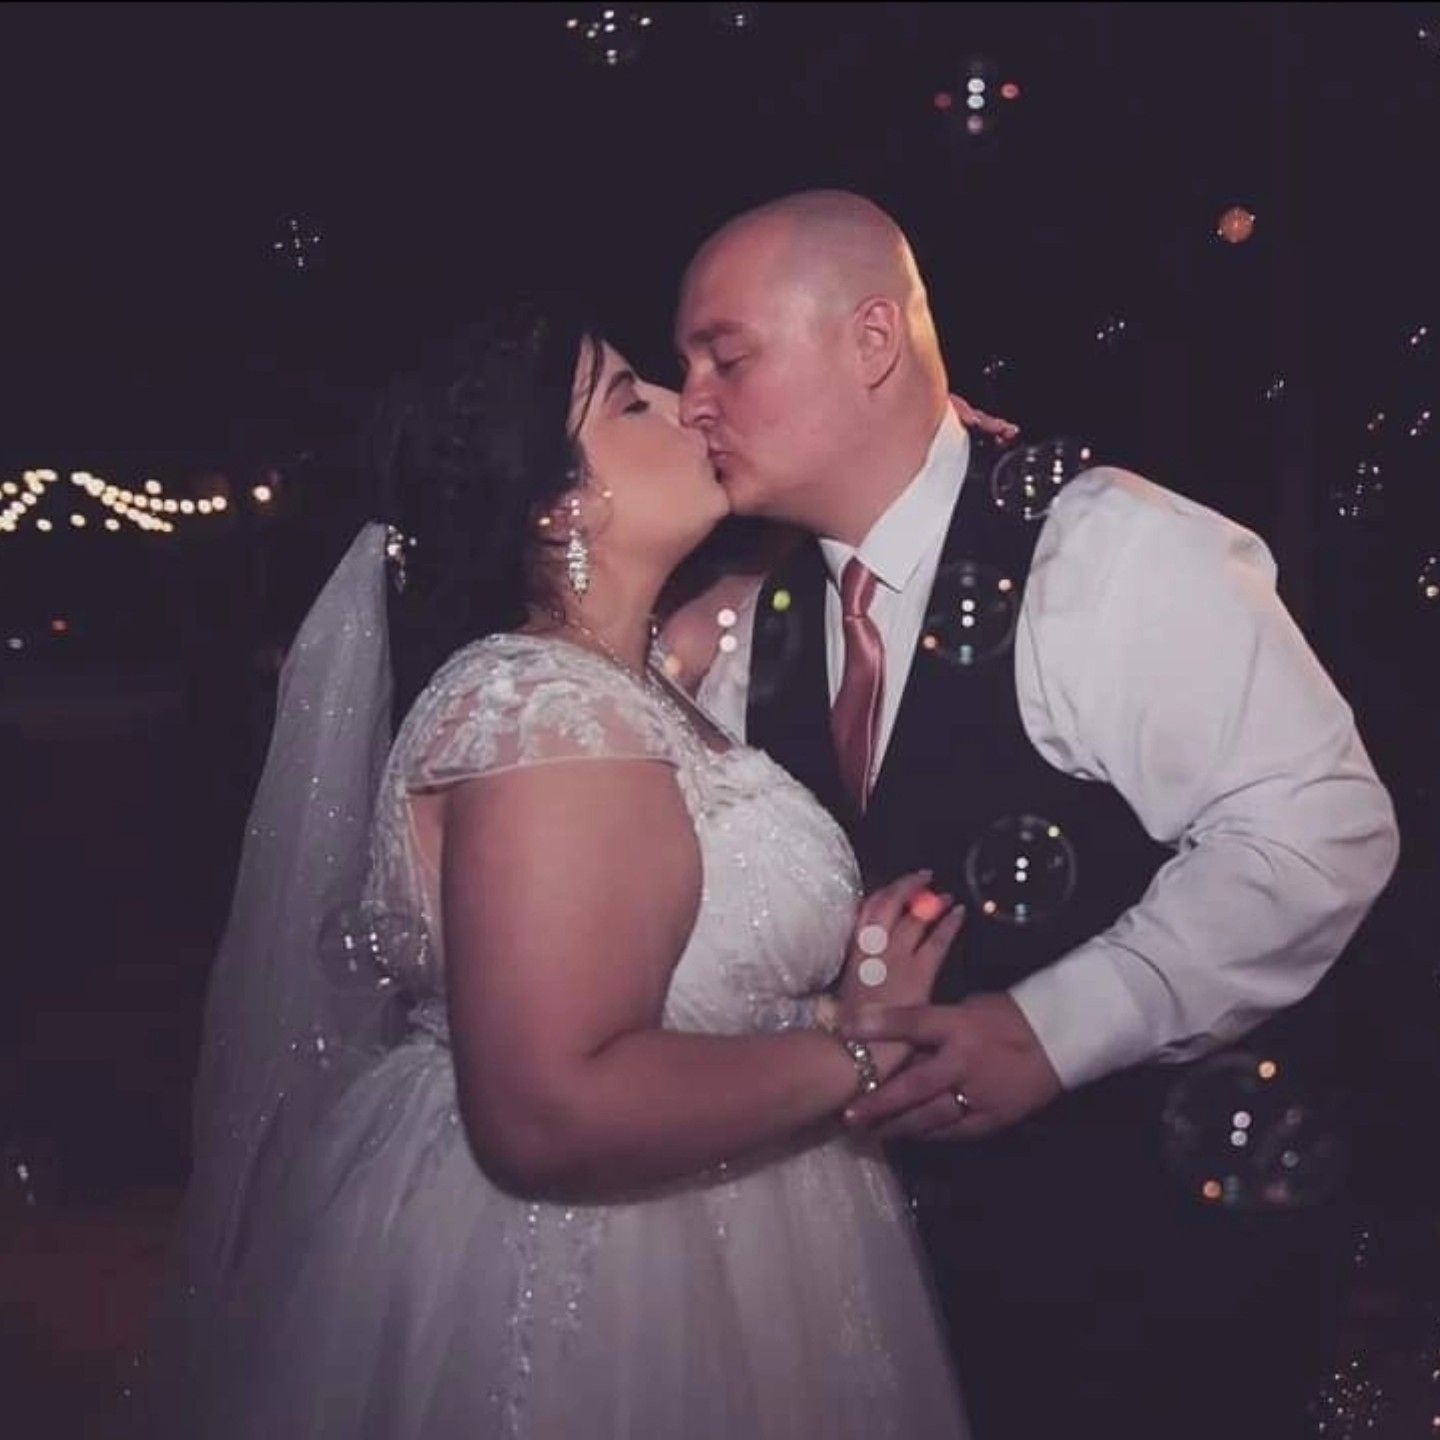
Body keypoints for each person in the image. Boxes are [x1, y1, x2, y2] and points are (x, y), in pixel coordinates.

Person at [141, 302, 974, 1438]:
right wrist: (858, 1053)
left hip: (746, 1229)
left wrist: (908, 457)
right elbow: (549, 1110)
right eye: (633, 399)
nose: (690, 406)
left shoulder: (629, 683)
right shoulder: (536, 711)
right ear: (557, 499)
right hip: (594, 1278)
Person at [670, 190, 1401, 1440]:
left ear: (871, 342)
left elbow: (1318, 826)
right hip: (887, 1300)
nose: (691, 401)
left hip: (1144, 1300)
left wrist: (1053, 1027)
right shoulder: (760, 630)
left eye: (723, 357)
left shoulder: (1104, 549)